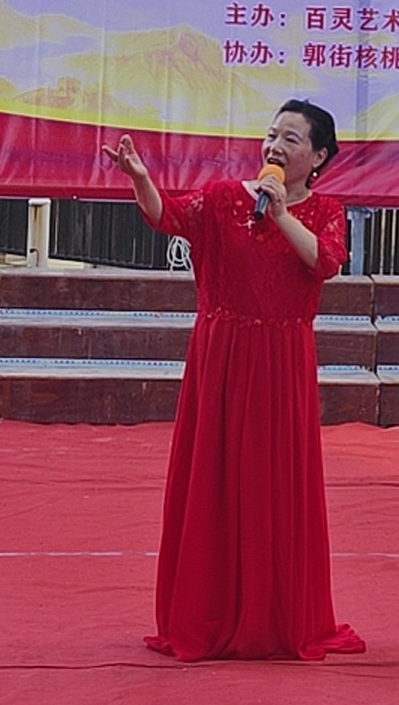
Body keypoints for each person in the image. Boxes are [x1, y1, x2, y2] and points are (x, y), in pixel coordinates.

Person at [103, 99, 366, 662]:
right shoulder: (224, 200)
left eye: (291, 139)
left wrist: (281, 214)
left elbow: (326, 261)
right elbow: (167, 217)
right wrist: (141, 179)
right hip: (221, 359)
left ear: (318, 156)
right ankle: (209, 611)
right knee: (215, 481)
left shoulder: (326, 211)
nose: (275, 147)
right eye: (272, 135)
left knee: (275, 487)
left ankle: (274, 617)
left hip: (282, 364)